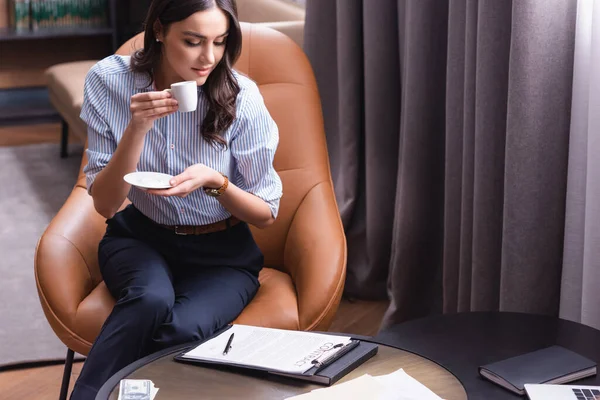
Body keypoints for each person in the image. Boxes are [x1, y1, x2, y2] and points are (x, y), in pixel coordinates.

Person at [70, 0, 282, 398]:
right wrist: (138, 128)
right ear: (159, 30)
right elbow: (105, 204)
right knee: (149, 299)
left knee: (182, 328)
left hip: (223, 255)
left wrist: (216, 181)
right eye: (193, 41)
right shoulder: (109, 80)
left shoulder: (242, 97)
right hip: (140, 237)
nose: (208, 58)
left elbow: (266, 212)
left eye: (220, 43)